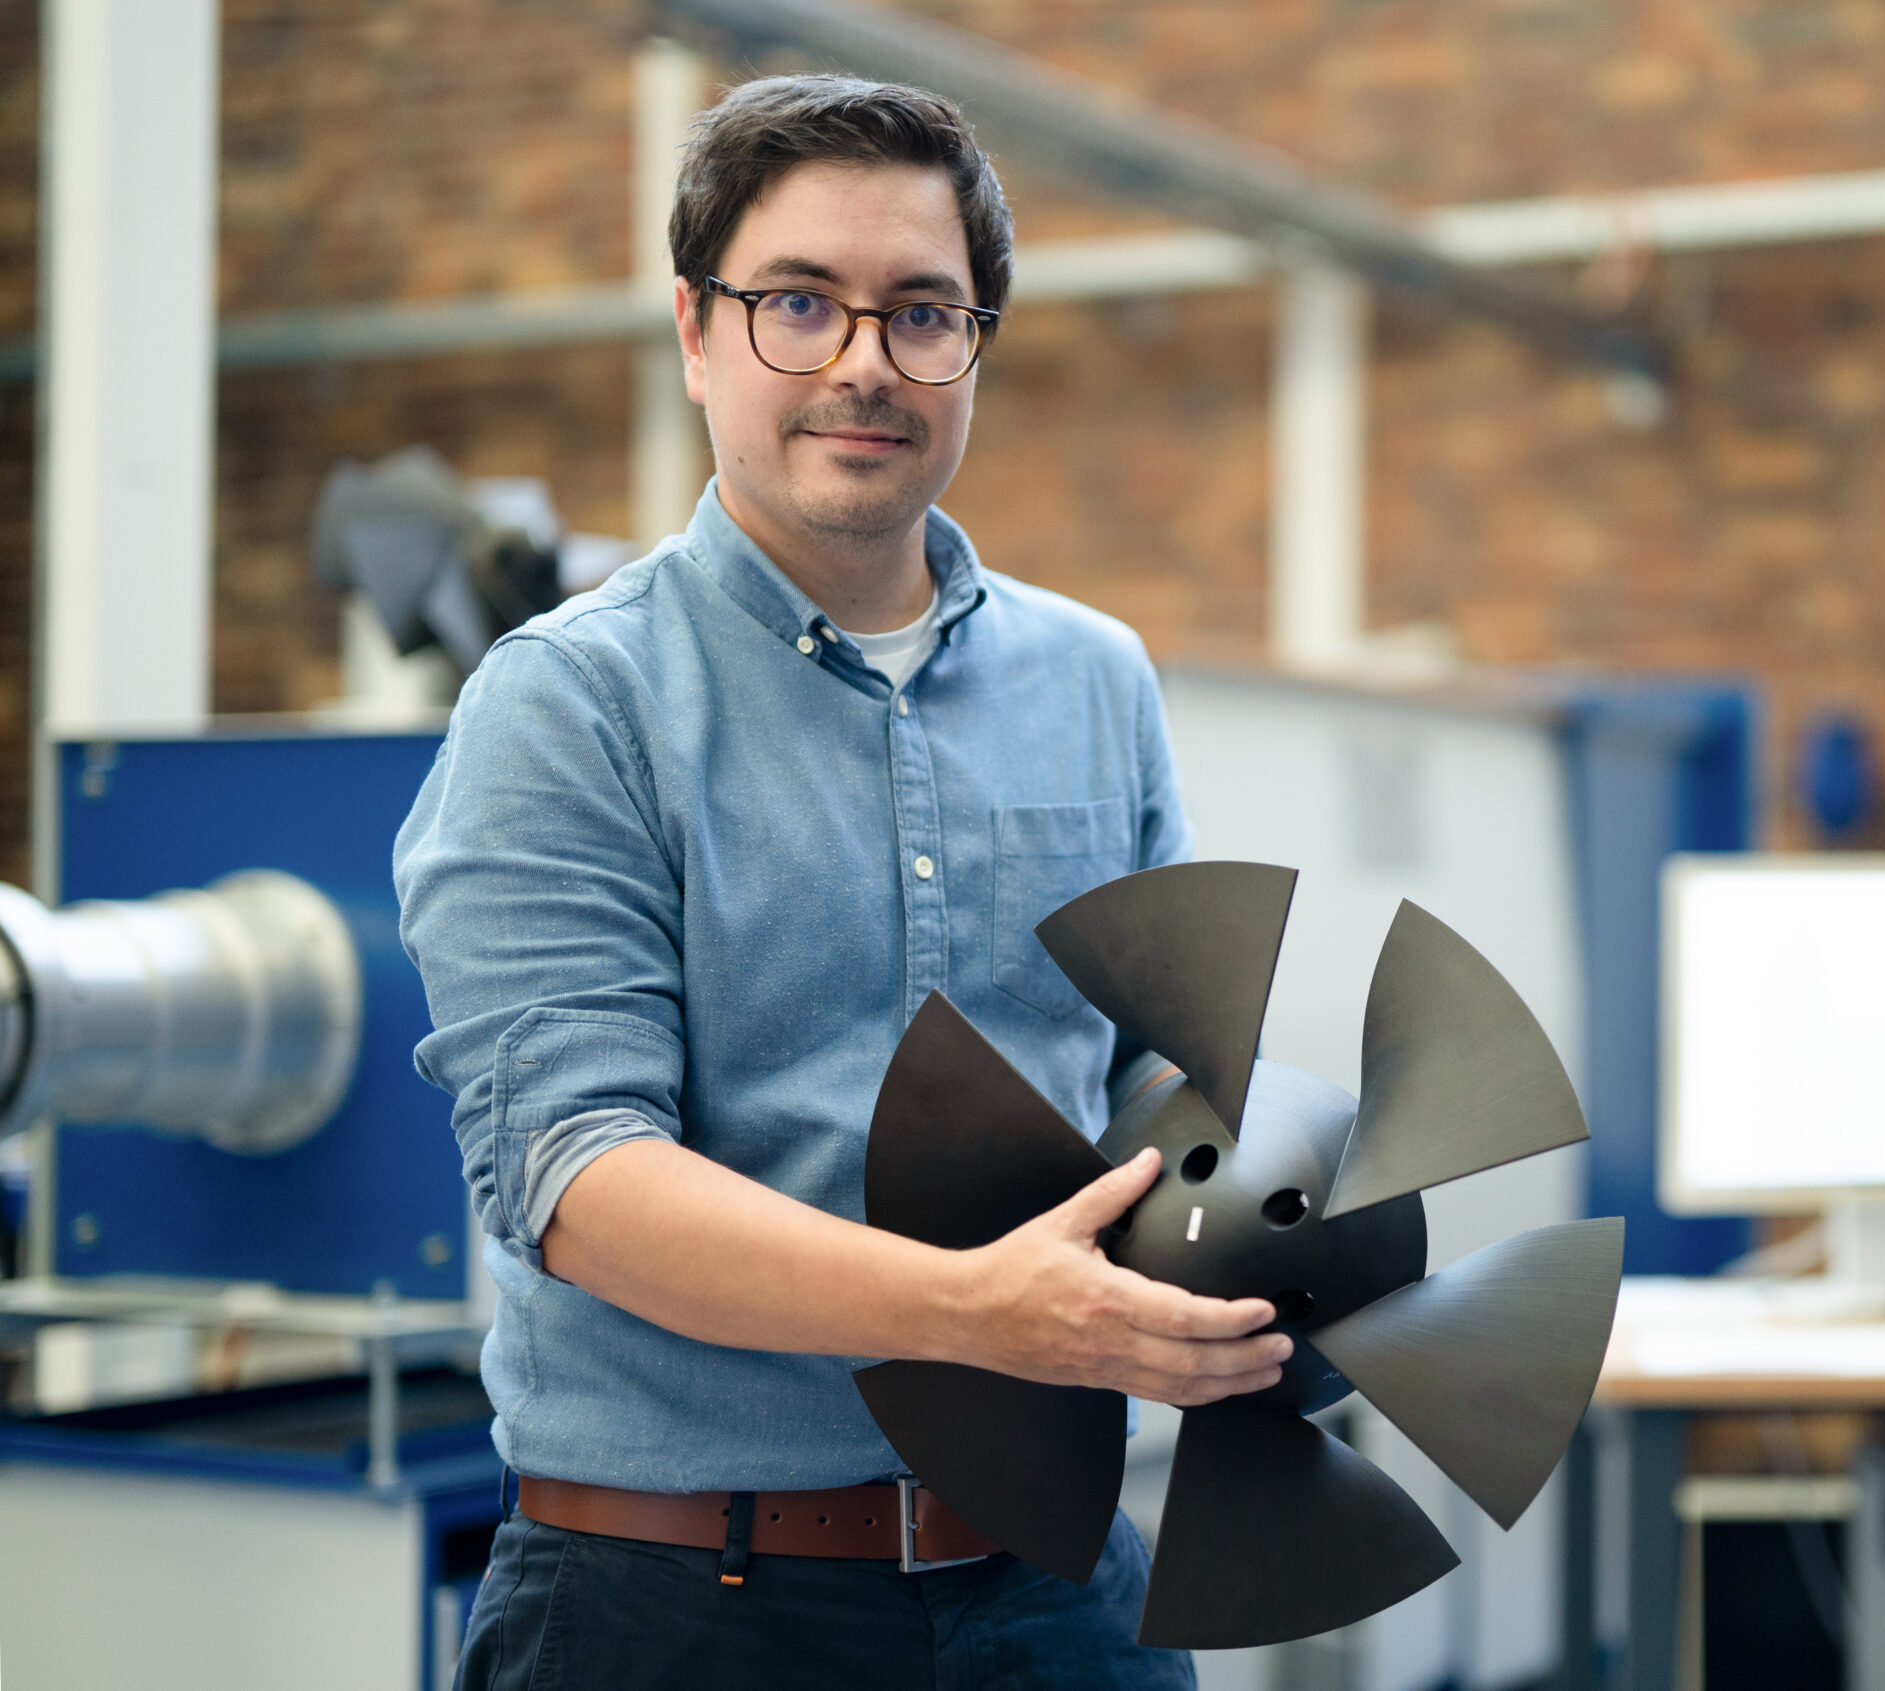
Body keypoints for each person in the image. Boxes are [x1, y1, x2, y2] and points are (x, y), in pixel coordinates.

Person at [393, 74, 1288, 1690]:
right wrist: (975, 1311)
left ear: (976, 349)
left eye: (922, 313)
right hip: (673, 1604)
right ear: (694, 329)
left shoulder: (1097, 678)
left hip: (1050, 1592)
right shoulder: (567, 704)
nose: (865, 362)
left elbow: (1158, 1062)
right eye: (799, 303)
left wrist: (1279, 1219)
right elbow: (578, 1182)